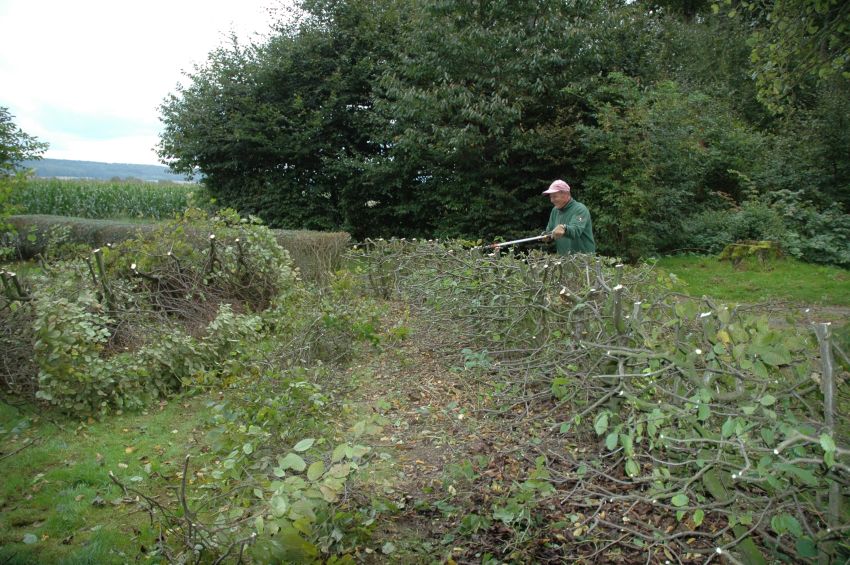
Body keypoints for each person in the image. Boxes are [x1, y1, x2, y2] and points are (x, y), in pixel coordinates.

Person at [542, 179, 595, 254]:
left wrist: (564, 228)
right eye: (551, 197)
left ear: (566, 194)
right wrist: (547, 236)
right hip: (564, 261)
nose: (552, 200)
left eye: (554, 196)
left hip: (584, 261)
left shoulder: (580, 209)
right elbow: (550, 232)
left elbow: (575, 230)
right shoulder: (555, 211)